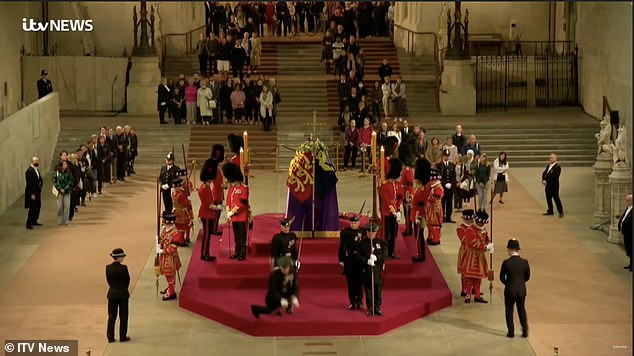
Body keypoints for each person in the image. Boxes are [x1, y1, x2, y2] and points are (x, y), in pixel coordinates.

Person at [500, 238, 530, 338]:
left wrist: (508, 283)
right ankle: (525, 331)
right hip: (522, 290)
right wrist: (521, 283)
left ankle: (511, 332)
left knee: (509, 310)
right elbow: (527, 277)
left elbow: (501, 277)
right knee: (521, 310)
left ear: (509, 249)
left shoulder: (506, 263)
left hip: (510, 290)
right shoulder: (524, 262)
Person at [462, 210, 493, 304]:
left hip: (480, 256)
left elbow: (486, 239)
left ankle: (477, 295)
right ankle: (468, 295)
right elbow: (472, 244)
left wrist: (489, 243)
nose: (481, 223)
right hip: (472, 256)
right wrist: (485, 247)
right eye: (480, 222)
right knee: (469, 278)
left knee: (478, 278)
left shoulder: (483, 230)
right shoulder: (469, 230)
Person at [358, 221, 388, 316]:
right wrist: (367, 260)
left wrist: (377, 258)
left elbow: (385, 255)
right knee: (369, 290)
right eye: (369, 232)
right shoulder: (362, 244)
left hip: (378, 271)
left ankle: (377, 307)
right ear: (366, 233)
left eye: (373, 232)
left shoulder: (381, 243)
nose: (371, 234)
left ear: (376, 232)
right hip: (367, 270)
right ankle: (370, 307)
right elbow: (358, 256)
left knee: (378, 290)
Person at [223, 162, 249, 261]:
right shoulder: (232, 188)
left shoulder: (244, 189)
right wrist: (228, 211)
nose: (231, 183)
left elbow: (242, 204)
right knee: (236, 236)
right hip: (234, 217)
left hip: (241, 216)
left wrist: (232, 212)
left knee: (242, 237)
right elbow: (228, 200)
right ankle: (237, 252)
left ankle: (242, 253)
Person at [106, 248, 131, 343]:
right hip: (123, 294)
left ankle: (110, 337)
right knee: (123, 316)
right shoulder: (124, 268)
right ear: (119, 257)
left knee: (112, 316)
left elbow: (108, 280)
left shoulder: (108, 268)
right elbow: (127, 281)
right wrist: (123, 289)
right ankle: (122, 336)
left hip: (112, 294)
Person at [379, 158, 403, 259]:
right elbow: (387, 201)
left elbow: (400, 197)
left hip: (395, 213)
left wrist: (399, 209)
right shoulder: (384, 186)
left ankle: (392, 251)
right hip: (387, 214)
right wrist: (394, 212)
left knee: (394, 234)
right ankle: (386, 252)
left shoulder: (397, 185)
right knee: (386, 233)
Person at [339, 215, 364, 310]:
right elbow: (342, 247)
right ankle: (352, 301)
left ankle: (360, 301)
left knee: (360, 282)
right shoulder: (345, 232)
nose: (353, 225)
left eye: (355, 223)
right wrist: (341, 260)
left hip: (360, 260)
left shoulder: (363, 231)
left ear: (358, 223)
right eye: (352, 223)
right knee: (351, 282)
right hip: (350, 259)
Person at [157, 212, 182, 301]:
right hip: (164, 257)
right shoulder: (166, 230)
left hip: (170, 257)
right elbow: (162, 238)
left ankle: (171, 291)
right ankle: (170, 288)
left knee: (170, 274)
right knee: (167, 274)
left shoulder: (175, 234)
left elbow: (173, 248)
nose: (164, 225)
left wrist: (163, 251)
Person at [411, 158, 431, 262]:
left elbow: (422, 203)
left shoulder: (424, 189)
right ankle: (420, 253)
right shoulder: (423, 188)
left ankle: (421, 255)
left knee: (419, 235)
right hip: (417, 213)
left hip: (419, 214)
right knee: (418, 235)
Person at [456, 209, 475, 296]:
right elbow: (465, 240)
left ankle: (473, 288)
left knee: (474, 271)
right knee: (465, 272)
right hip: (465, 252)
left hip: (475, 252)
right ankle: (464, 290)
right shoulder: (460, 228)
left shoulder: (475, 227)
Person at [399, 144, 416, 236]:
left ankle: (408, 230)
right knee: (407, 213)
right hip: (406, 192)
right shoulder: (406, 169)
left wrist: (407, 196)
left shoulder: (408, 170)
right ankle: (407, 228)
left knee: (408, 213)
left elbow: (409, 184)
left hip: (407, 194)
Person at [424, 169, 444, 246]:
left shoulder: (438, 187)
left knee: (435, 224)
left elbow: (435, 198)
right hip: (430, 208)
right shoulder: (432, 186)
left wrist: (428, 198)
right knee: (429, 224)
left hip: (435, 209)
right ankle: (430, 236)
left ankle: (436, 239)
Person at [541, 153, 564, 217]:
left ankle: (560, 211)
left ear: (556, 159)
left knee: (556, 198)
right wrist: (543, 179)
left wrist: (546, 181)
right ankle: (550, 211)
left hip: (554, 186)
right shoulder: (549, 166)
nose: (550, 159)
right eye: (550, 157)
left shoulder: (557, 167)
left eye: (552, 158)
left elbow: (555, 176)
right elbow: (544, 173)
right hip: (547, 185)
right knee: (548, 198)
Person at [171, 177, 192, 246]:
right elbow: (185, 204)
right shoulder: (181, 194)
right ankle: (181, 241)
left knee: (178, 226)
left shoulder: (174, 193)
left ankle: (179, 239)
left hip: (175, 211)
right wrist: (188, 200)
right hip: (182, 212)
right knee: (182, 227)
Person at [53, 161, 73, 225]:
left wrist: (65, 189)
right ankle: (60, 220)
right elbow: (54, 181)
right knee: (60, 206)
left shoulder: (69, 173)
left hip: (67, 192)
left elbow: (71, 181)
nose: (64, 166)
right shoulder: (57, 173)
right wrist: (60, 189)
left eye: (65, 164)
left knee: (67, 206)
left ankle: (66, 220)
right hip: (59, 192)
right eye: (62, 164)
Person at [25, 157, 43, 229]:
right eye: (35, 161)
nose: (37, 163)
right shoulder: (29, 171)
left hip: (37, 192)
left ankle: (34, 220)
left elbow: (39, 180)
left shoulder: (36, 170)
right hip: (32, 193)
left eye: (38, 161)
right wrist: (32, 194)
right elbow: (29, 184)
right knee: (32, 208)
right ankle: (29, 223)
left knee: (38, 206)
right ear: (32, 162)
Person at [440, 149, 457, 223]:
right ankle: (442, 216)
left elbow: (454, 176)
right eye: (445, 156)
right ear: (443, 156)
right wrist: (444, 184)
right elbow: (439, 176)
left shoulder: (452, 165)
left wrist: (451, 183)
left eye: (447, 156)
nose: (446, 157)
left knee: (449, 202)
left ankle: (448, 217)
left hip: (450, 187)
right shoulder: (439, 165)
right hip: (443, 187)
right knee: (442, 202)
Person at [619, 193, 633, 271]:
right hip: (626, 233)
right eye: (626, 200)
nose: (626, 201)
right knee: (628, 249)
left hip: (630, 233)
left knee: (631, 249)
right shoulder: (628, 208)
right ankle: (631, 264)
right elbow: (624, 217)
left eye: (628, 200)